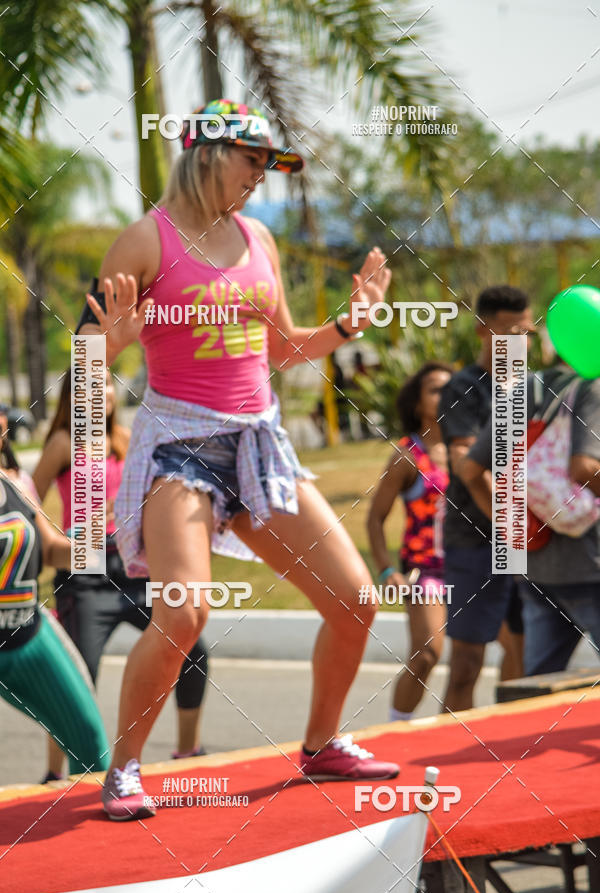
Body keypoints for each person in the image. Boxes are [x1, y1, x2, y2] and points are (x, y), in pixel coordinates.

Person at [76, 99, 398, 821]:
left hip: (257, 443)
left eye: (267, 165)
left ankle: (321, 744)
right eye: (252, 160)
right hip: (179, 448)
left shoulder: (259, 239)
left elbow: (281, 349)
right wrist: (112, 341)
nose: (260, 176)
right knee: (184, 611)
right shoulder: (144, 240)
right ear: (208, 154)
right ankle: (123, 769)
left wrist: (349, 324)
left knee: (356, 599)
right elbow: (86, 361)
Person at [33, 369, 210, 781]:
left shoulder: (126, 440)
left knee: (192, 650)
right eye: (90, 388)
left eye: (107, 384)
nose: (102, 393)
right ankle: (55, 775)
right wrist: (67, 538)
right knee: (76, 675)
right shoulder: (62, 444)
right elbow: (30, 501)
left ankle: (189, 752)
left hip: (132, 567)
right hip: (85, 574)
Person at [460, 360, 600, 676]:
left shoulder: (525, 389)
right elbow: (584, 467)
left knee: (538, 680)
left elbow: (469, 470)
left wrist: (510, 527)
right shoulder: (593, 387)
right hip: (589, 564)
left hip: (533, 567)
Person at [438, 286, 535, 712]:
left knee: (526, 660)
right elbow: (465, 464)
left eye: (527, 333)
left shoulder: (534, 388)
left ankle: (509, 744)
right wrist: (509, 518)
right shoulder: (463, 388)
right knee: (466, 664)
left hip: (528, 540)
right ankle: (448, 746)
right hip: (474, 540)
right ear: (482, 329)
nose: (520, 342)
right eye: (510, 332)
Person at [0, 412, 109, 779]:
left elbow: (50, 551)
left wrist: (98, 544)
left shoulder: (15, 484)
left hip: (28, 636)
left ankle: (87, 813)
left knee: (88, 740)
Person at [367, 362, 453, 720]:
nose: (445, 396)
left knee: (484, 654)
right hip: (425, 571)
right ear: (417, 403)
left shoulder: (469, 447)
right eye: (435, 390)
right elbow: (374, 517)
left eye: (450, 388)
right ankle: (395, 726)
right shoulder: (407, 456)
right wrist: (387, 570)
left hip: (472, 565)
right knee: (427, 655)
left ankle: (462, 733)